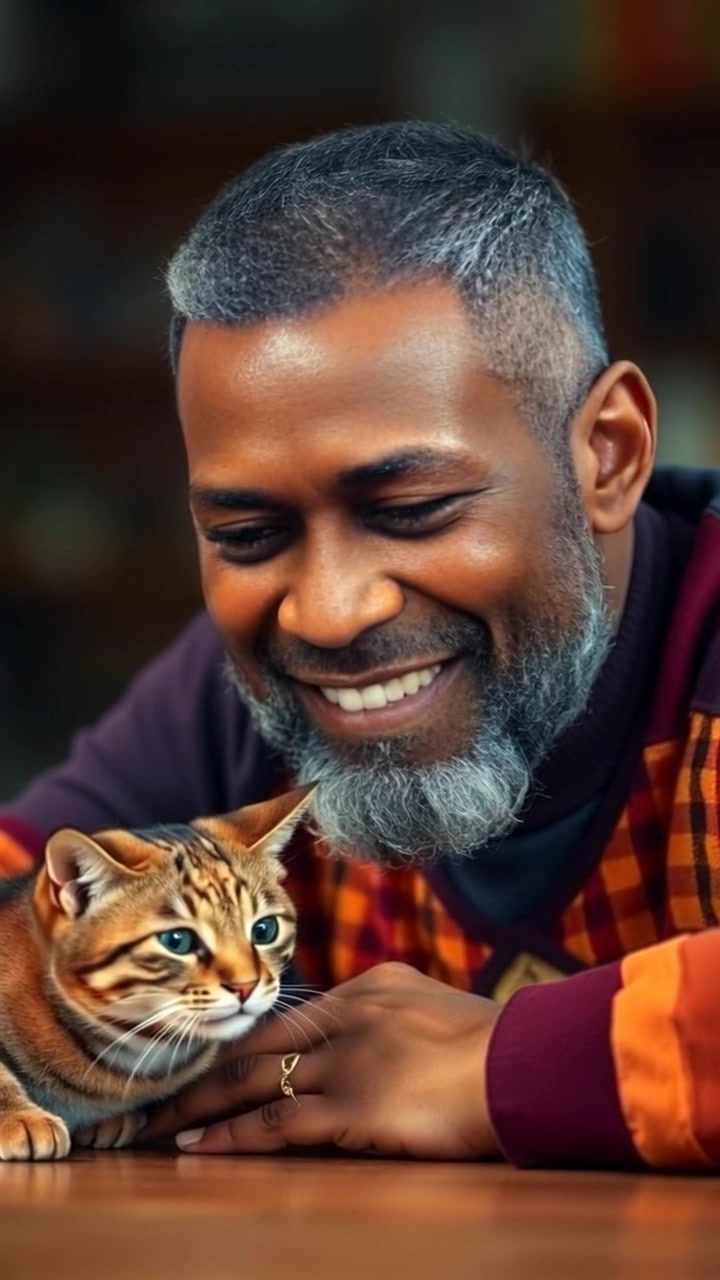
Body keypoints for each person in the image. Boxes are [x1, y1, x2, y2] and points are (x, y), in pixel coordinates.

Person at [3, 120, 720, 1169]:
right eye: (249, 535)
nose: (328, 614)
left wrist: (500, 1067)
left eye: (415, 507)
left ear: (607, 456)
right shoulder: (236, 700)